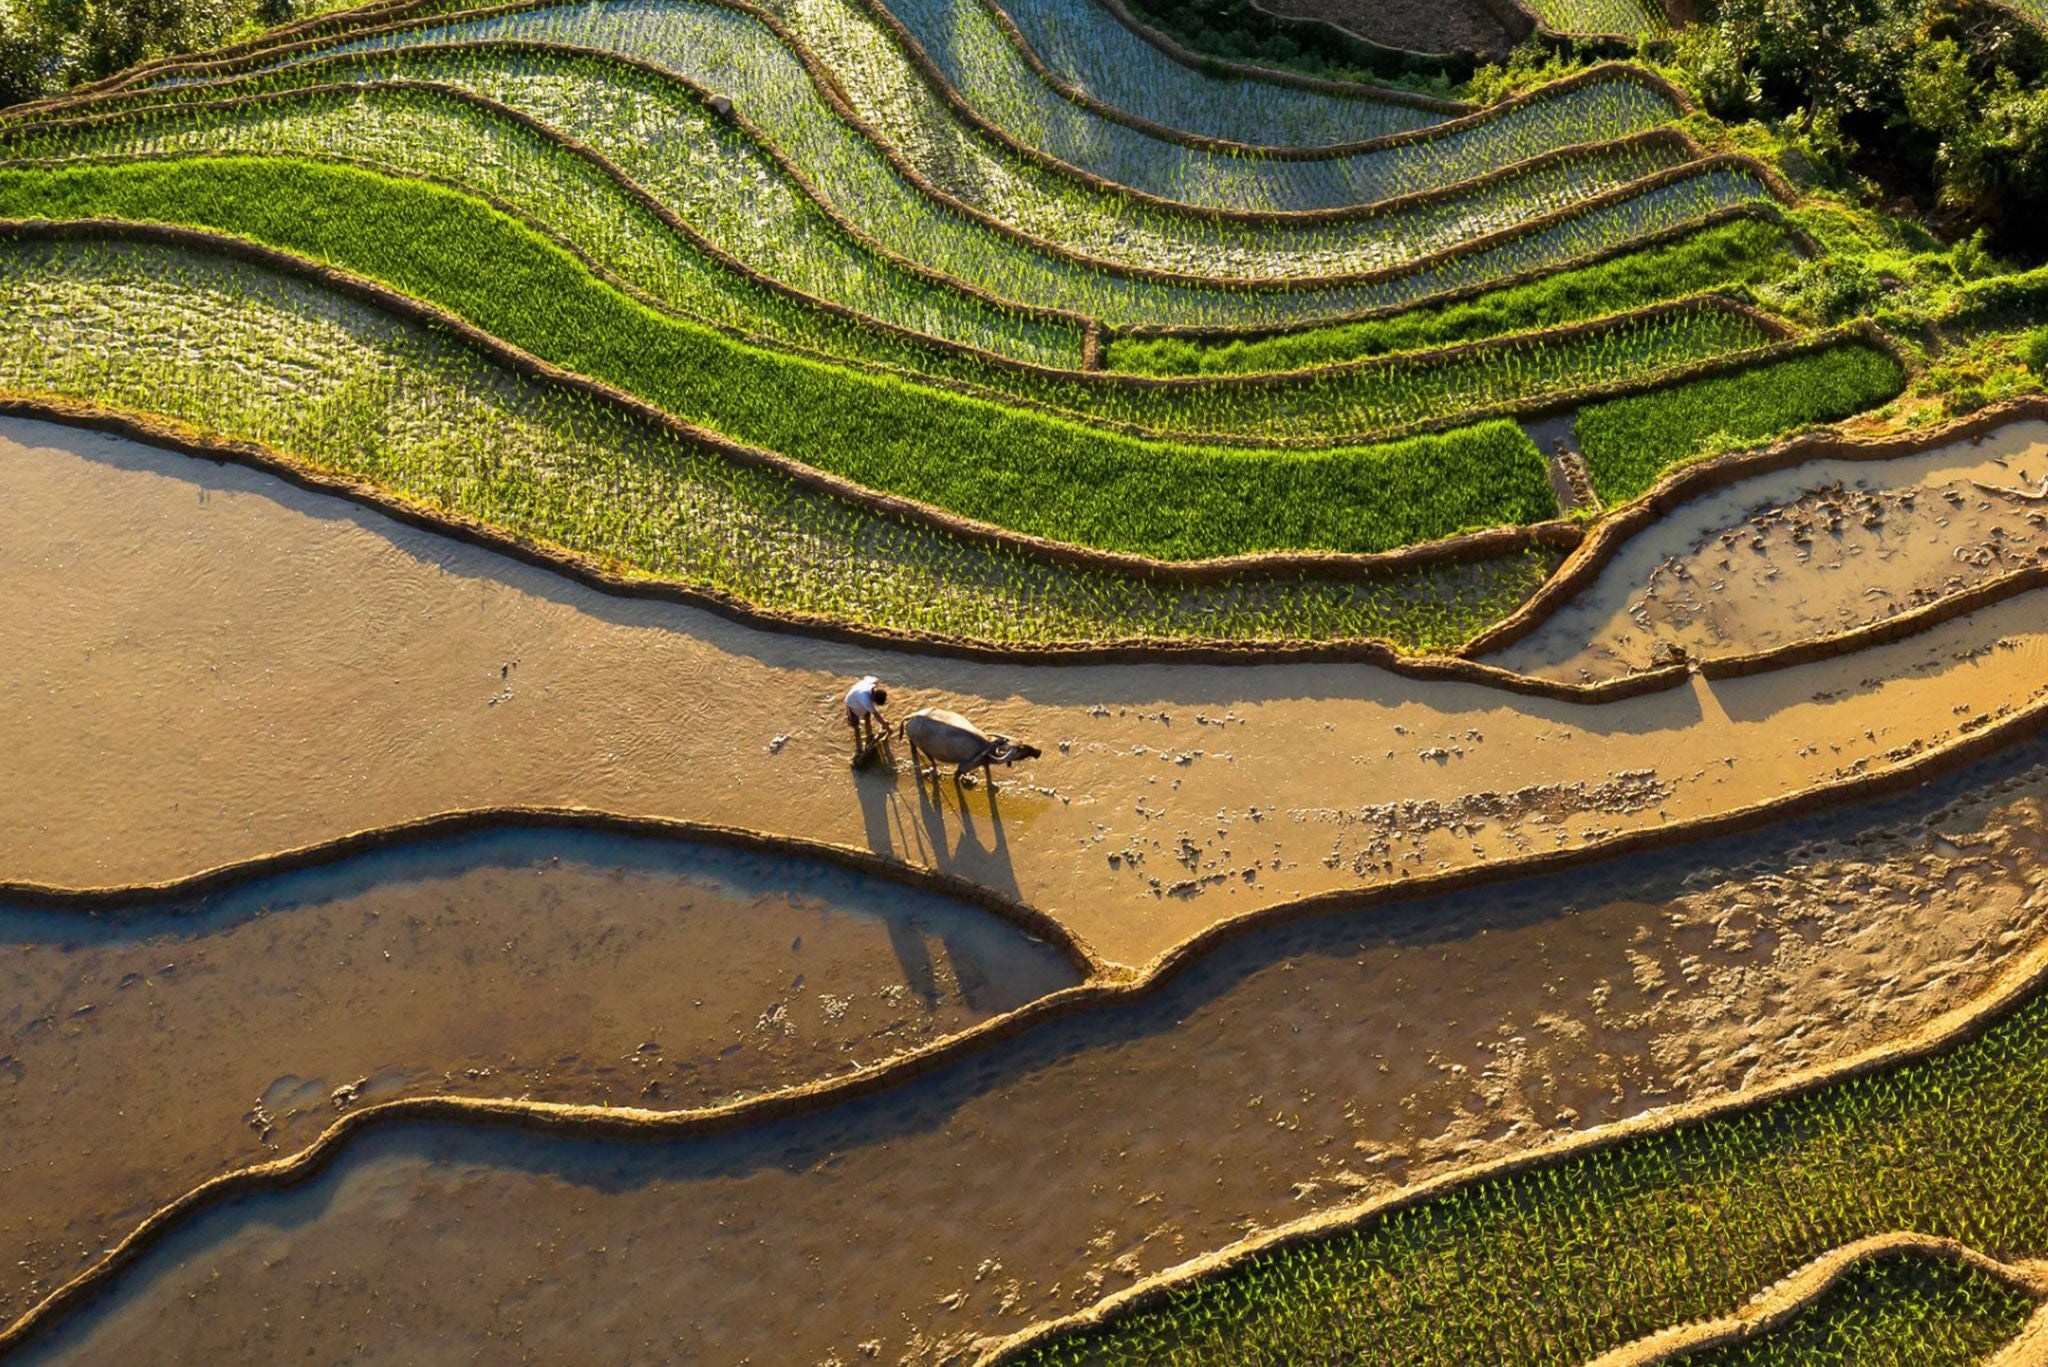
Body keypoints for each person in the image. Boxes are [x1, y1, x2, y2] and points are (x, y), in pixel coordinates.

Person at [844, 675, 889, 758]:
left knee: (867, 717)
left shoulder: (873, 682)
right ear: (873, 698)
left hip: (857, 694)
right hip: (852, 702)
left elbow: (867, 677)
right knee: (855, 724)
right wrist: (885, 725)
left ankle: (869, 734)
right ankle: (858, 747)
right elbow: (876, 715)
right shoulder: (866, 699)